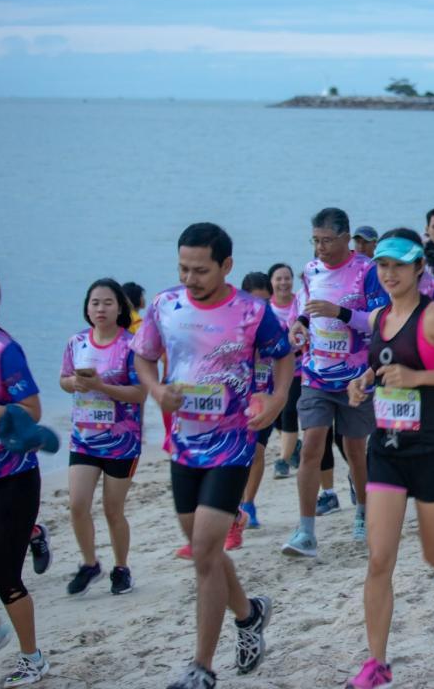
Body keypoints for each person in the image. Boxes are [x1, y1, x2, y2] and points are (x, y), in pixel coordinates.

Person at [132, 224, 293, 689]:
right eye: (183, 268)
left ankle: (201, 668)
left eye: (200, 270)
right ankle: (249, 614)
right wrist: (155, 389)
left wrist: (277, 399)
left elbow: (283, 355)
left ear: (226, 266)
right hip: (184, 443)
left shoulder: (252, 311)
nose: (190, 278)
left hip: (233, 443)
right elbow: (143, 356)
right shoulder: (165, 305)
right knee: (207, 555)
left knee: (204, 551)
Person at [344, 229, 434, 689]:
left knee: (433, 551)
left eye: (398, 266)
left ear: (418, 269)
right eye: (383, 266)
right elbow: (383, 363)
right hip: (387, 450)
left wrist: (418, 377)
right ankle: (377, 663)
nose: (389, 274)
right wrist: (363, 381)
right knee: (379, 559)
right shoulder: (379, 316)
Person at [285, 208, 384, 556]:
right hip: (315, 374)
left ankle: (363, 512)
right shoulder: (311, 270)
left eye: (327, 240)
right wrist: (299, 324)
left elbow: (380, 321)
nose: (320, 248)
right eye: (315, 240)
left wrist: (340, 313)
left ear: (345, 238)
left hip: (356, 377)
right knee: (311, 445)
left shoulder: (367, 271)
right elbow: (305, 308)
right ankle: (306, 531)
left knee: (355, 450)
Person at [0, 268, 50, 687]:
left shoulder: (3, 351)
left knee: (5, 574)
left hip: (13, 475)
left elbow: (33, 411)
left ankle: (32, 658)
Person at [59, 278, 145, 597]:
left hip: (122, 443)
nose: (100, 309)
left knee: (112, 509)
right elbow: (63, 379)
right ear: (87, 307)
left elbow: (140, 393)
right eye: (95, 302)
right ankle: (89, 563)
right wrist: (74, 384)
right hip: (84, 438)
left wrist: (102, 387)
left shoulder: (131, 346)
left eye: (108, 303)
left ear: (120, 307)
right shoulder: (77, 342)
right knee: (77, 504)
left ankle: (121, 568)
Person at [236, 272, 285, 531]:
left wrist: (279, 397)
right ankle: (232, 504)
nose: (259, 308)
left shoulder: (275, 326)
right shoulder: (232, 327)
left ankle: (248, 504)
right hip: (235, 401)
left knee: (256, 451)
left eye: (265, 302)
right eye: (254, 301)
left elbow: (286, 360)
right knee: (235, 455)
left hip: (264, 398)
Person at [267, 263, 302, 480]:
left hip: (298, 369)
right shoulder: (265, 308)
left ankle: (282, 461)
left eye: (287, 278)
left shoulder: (300, 303)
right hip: (271, 371)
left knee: (289, 411)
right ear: (271, 282)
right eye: (278, 279)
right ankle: (294, 445)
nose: (283, 283)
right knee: (276, 416)